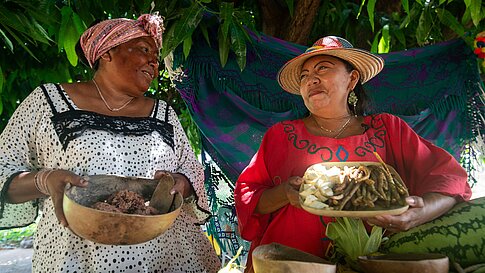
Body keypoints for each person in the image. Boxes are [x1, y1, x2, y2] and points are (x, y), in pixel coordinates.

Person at [0, 13, 221, 273]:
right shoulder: (48, 103)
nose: (154, 62)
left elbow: (194, 174)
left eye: (156, 57)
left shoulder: (164, 113)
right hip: (77, 259)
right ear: (107, 53)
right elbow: (3, 170)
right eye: (143, 49)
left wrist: (180, 184)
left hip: (160, 258)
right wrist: (43, 180)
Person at [234, 36, 471, 272]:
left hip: (371, 265)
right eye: (304, 76)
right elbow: (248, 197)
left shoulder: (387, 129)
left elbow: (450, 179)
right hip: (289, 265)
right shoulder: (281, 135)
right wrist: (284, 193)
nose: (311, 80)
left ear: (352, 78)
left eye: (322, 68)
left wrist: (420, 212)